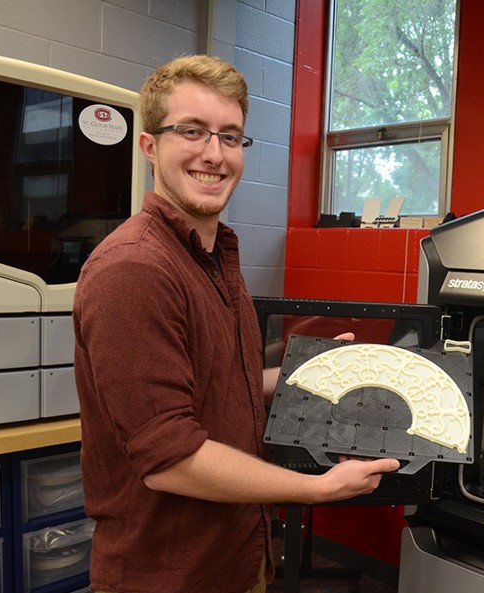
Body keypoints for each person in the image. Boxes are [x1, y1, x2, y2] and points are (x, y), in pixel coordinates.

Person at [73, 54, 400, 593]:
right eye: (192, 131)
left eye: (230, 136)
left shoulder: (213, 256)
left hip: (241, 560)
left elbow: (223, 385)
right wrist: (316, 489)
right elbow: (170, 460)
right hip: (170, 578)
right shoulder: (134, 268)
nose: (214, 154)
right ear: (150, 146)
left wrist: (306, 373)